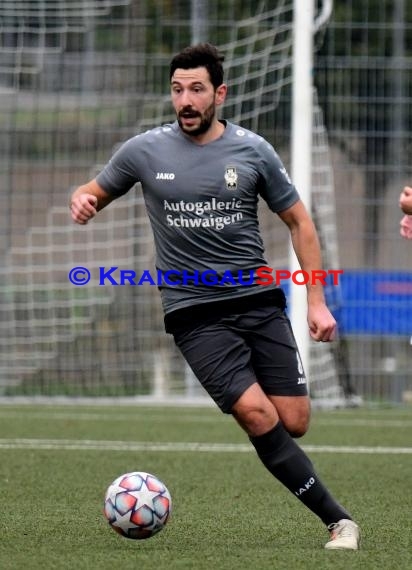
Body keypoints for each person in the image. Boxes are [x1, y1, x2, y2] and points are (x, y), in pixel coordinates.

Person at [70, 43, 360, 550]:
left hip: (259, 301)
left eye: (197, 89)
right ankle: (339, 522)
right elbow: (94, 189)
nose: (186, 100)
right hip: (194, 313)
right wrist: (85, 199)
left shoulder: (253, 151)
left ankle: (302, 470)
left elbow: (299, 221)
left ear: (219, 94)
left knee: (295, 421)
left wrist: (315, 302)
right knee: (257, 415)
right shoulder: (143, 150)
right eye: (178, 89)